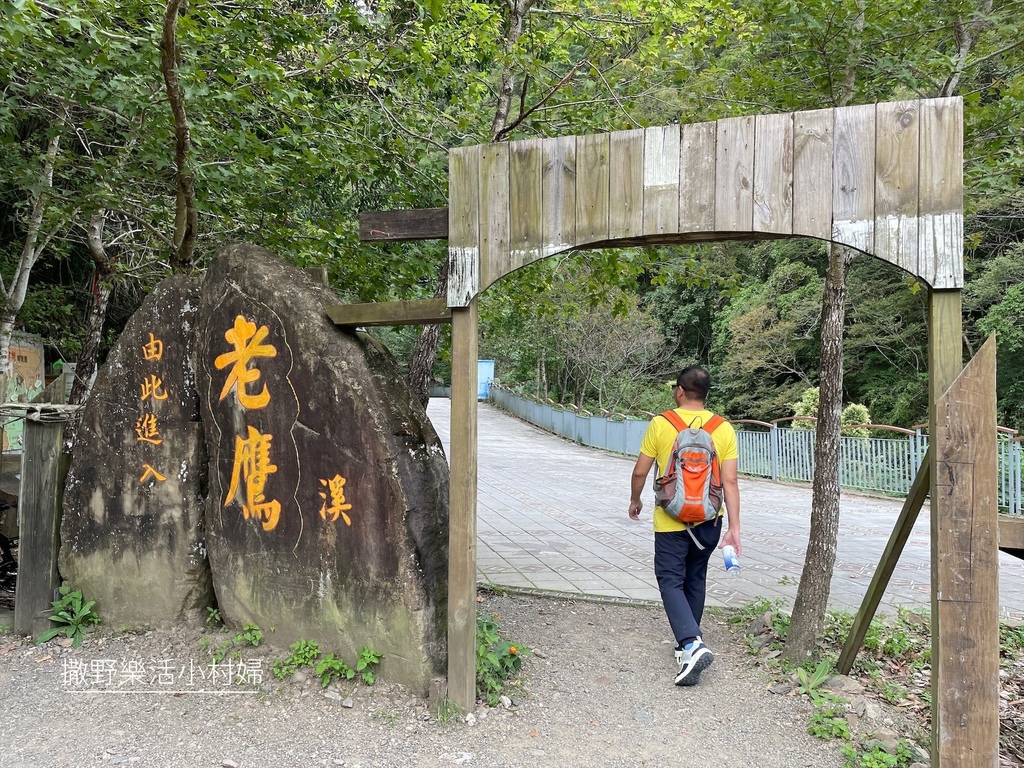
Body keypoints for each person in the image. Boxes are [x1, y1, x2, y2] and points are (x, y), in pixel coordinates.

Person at [628, 365, 741, 686]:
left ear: (679, 390)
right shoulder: (724, 428)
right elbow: (730, 482)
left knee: (669, 579)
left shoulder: (662, 423)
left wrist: (635, 499)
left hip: (670, 518)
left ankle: (691, 643)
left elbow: (640, 471)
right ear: (706, 393)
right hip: (709, 518)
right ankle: (687, 644)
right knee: (695, 577)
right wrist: (735, 527)